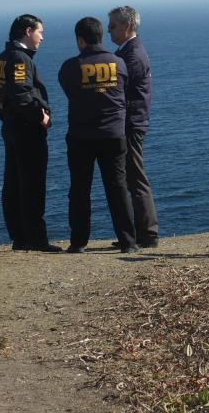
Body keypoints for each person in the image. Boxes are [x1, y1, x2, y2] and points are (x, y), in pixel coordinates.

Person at [58, 17, 138, 254]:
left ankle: (78, 242)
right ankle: (128, 242)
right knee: (118, 188)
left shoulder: (70, 67)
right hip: (114, 135)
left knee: (80, 190)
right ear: (101, 36)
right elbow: (124, 89)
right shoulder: (119, 63)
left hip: (81, 136)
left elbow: (69, 91)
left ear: (80, 40)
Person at [0, 14, 61, 252]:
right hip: (27, 130)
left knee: (13, 183)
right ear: (28, 31)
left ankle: (19, 237)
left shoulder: (3, 57)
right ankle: (36, 239)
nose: (42, 38)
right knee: (32, 184)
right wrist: (41, 116)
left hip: (12, 128)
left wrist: (6, 118)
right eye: (40, 32)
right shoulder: (19, 59)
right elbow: (21, 95)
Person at [107, 6, 159, 248]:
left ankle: (147, 234)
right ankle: (142, 232)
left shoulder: (132, 55)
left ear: (127, 26)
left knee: (136, 178)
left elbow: (121, 93)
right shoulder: (130, 52)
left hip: (130, 123)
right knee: (133, 177)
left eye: (113, 25)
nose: (108, 30)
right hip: (133, 122)